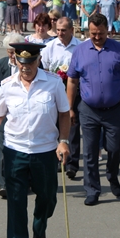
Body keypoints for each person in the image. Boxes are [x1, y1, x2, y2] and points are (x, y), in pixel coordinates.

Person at [0, 42, 71, 238]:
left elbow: (64, 114)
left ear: (38, 60)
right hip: (15, 151)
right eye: (21, 62)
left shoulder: (53, 83)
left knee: (47, 198)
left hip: (45, 151)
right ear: (15, 60)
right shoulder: (7, 85)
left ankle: (39, 228)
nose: (26, 67)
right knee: (15, 202)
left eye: (31, 62)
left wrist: (63, 141)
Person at [67, 13, 120, 206]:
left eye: (101, 33)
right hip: (88, 109)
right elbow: (72, 80)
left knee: (116, 148)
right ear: (88, 31)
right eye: (93, 33)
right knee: (90, 152)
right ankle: (92, 190)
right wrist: (69, 108)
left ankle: (112, 174)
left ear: (108, 30)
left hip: (114, 110)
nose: (97, 37)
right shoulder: (80, 51)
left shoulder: (119, 50)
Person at [41, 17, 82, 179]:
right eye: (58, 30)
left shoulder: (80, 46)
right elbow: (44, 67)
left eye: (63, 30)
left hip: (75, 89)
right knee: (55, 124)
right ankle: (58, 159)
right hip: (55, 88)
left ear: (72, 30)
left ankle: (72, 163)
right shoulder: (50, 46)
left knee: (73, 124)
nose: (60, 33)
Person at [0, 32, 26, 199]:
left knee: (21, 151)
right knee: (3, 150)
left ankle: (23, 182)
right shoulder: (0, 65)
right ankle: (3, 184)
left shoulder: (28, 65)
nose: (12, 56)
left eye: (14, 52)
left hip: (23, 116)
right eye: (9, 52)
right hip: (4, 116)